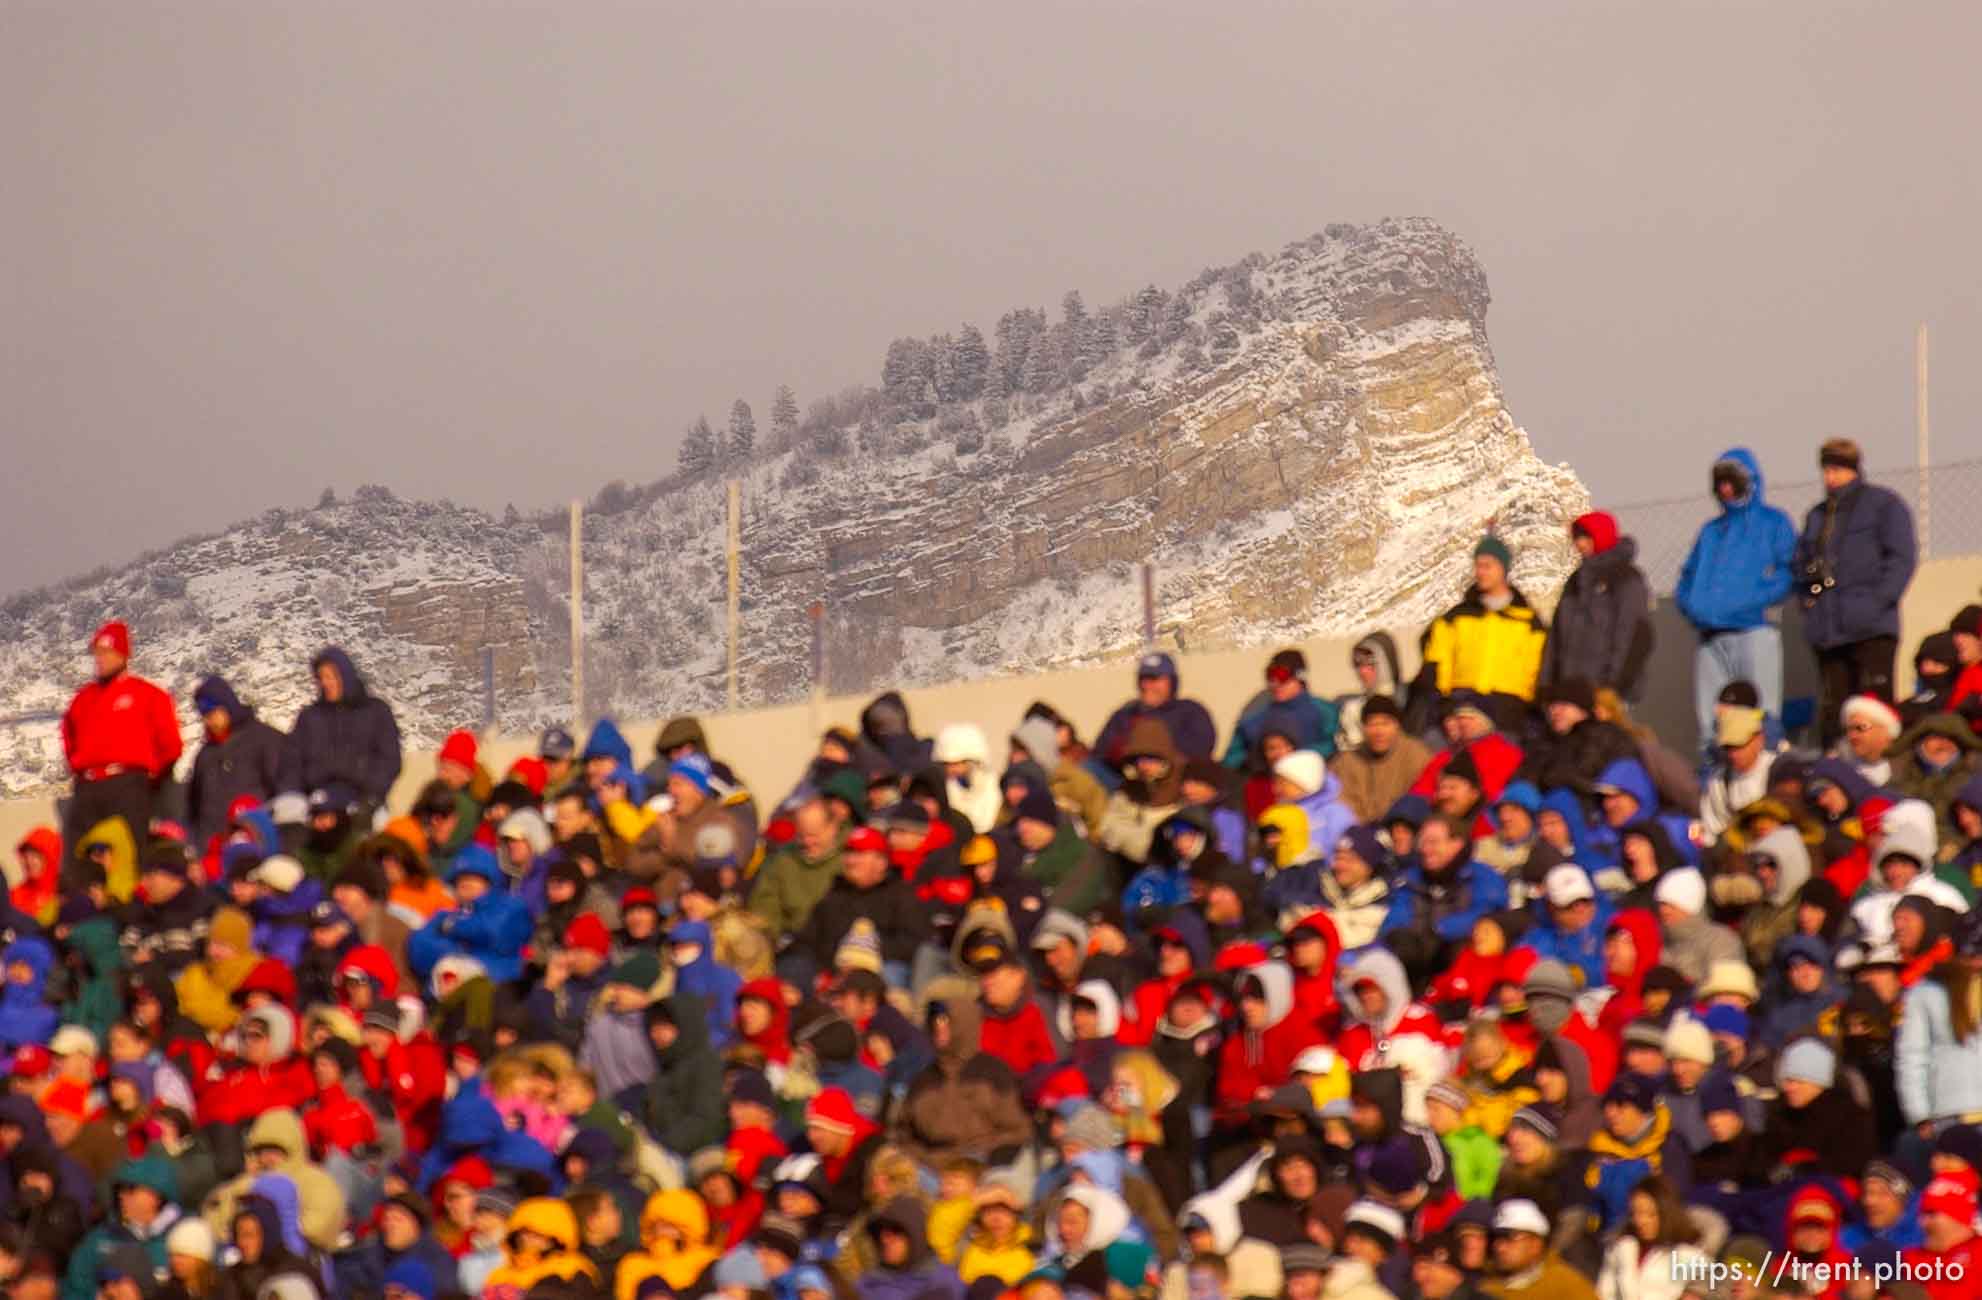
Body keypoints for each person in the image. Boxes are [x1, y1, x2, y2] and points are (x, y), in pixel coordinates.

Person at [1674, 447, 1798, 759]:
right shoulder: (1711, 531)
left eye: (1732, 481)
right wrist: (1691, 605)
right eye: (1720, 483)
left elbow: (1788, 571)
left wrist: (1753, 603)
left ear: (1750, 482)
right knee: (1711, 719)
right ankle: (1712, 781)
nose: (1726, 489)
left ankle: (1765, 772)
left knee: (1760, 713)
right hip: (1710, 637)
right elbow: (1687, 575)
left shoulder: (1774, 522)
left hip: (1753, 632)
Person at [1794, 437, 1918, 747]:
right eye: (1825, 469)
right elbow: (1802, 564)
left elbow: (1902, 558)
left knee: (1875, 713)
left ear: (1853, 469)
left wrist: (1878, 602)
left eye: (1836, 469)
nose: (1829, 477)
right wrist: (1808, 599)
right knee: (1834, 718)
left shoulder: (1884, 504)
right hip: (1828, 634)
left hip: (1871, 631)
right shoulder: (1817, 516)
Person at [61, 622, 182, 863]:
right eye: (97, 653)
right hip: (88, 787)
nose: (101, 659)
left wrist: (150, 779)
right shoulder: (82, 700)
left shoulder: (148, 695)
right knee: (81, 860)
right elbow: (69, 738)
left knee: (129, 858)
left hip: (129, 786)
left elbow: (170, 744)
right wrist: (80, 769)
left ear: (123, 654)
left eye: (107, 652)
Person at [1413, 536, 1549, 731]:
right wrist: (1444, 708)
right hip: (1462, 705)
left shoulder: (1529, 622)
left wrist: (1528, 709)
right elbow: (1436, 665)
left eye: (1487, 566)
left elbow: (1537, 671)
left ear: (1503, 568)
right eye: (1477, 566)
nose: (1480, 572)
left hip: (1510, 711)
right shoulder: (1454, 619)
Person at [1538, 512, 1653, 704]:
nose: (1580, 544)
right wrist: (1547, 686)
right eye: (1577, 538)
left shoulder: (1626, 578)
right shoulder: (1574, 582)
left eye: (1586, 537)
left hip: (1608, 691)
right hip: (1571, 691)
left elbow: (1633, 634)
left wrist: (1614, 686)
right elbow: (1555, 639)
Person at [282, 648, 402, 813]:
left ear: (345, 676)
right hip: (316, 797)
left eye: (330, 676)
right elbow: (291, 763)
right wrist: (293, 794)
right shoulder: (309, 717)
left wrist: (372, 794)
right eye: (321, 677)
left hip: (364, 797)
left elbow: (389, 760)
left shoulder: (377, 712)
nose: (325, 682)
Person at [1092, 652, 1217, 767]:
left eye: (1154, 678)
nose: (1146, 685)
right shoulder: (1126, 712)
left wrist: (1156, 750)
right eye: (1142, 679)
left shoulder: (1191, 711)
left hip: (1177, 776)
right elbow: (1101, 751)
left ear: (1172, 682)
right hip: (1128, 776)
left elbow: (1200, 751)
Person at [1222, 649, 1340, 769]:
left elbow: (1334, 746)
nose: (1275, 683)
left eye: (1282, 676)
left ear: (1299, 677)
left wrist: (1295, 756)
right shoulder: (1255, 718)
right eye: (1270, 676)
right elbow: (1231, 760)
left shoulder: (1324, 712)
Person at [1330, 695, 1431, 825]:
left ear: (1397, 725)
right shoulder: (1347, 761)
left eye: (1385, 723)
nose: (1379, 731)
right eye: (1372, 724)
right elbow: (1340, 801)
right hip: (1359, 832)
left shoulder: (1417, 755)